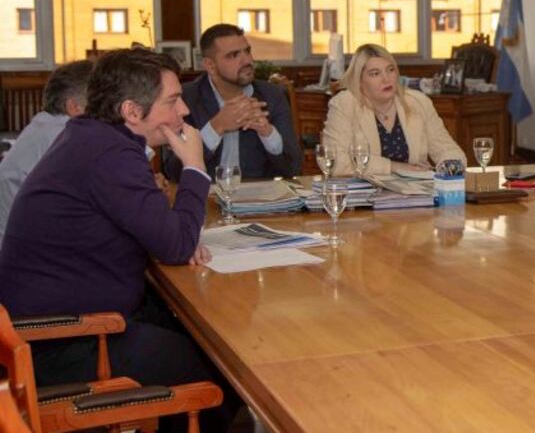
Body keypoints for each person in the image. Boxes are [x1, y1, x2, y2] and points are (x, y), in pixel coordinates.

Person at [0, 48, 238, 432]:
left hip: (68, 319)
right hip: (59, 340)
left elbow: (160, 232)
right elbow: (175, 245)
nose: (184, 114)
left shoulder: (94, 139)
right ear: (131, 111)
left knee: (214, 335)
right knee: (219, 368)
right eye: (173, 102)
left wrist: (173, 232)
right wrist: (194, 167)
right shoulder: (108, 153)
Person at [164, 23, 301, 180]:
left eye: (247, 51)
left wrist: (268, 133)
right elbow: (173, 171)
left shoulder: (271, 96)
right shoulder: (185, 98)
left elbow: (293, 168)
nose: (247, 60)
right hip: (205, 198)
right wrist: (216, 127)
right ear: (210, 66)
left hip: (257, 200)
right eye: (233, 55)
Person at [323, 43, 466, 176]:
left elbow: (448, 150)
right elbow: (336, 162)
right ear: (359, 80)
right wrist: (393, 167)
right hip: (366, 196)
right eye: (375, 73)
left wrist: (448, 169)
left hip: (415, 192)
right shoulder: (344, 104)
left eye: (390, 70)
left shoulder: (418, 102)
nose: (386, 79)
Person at [0, 60, 92, 242]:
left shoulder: (44, 126)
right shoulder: (66, 135)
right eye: (100, 103)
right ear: (74, 107)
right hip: (26, 257)